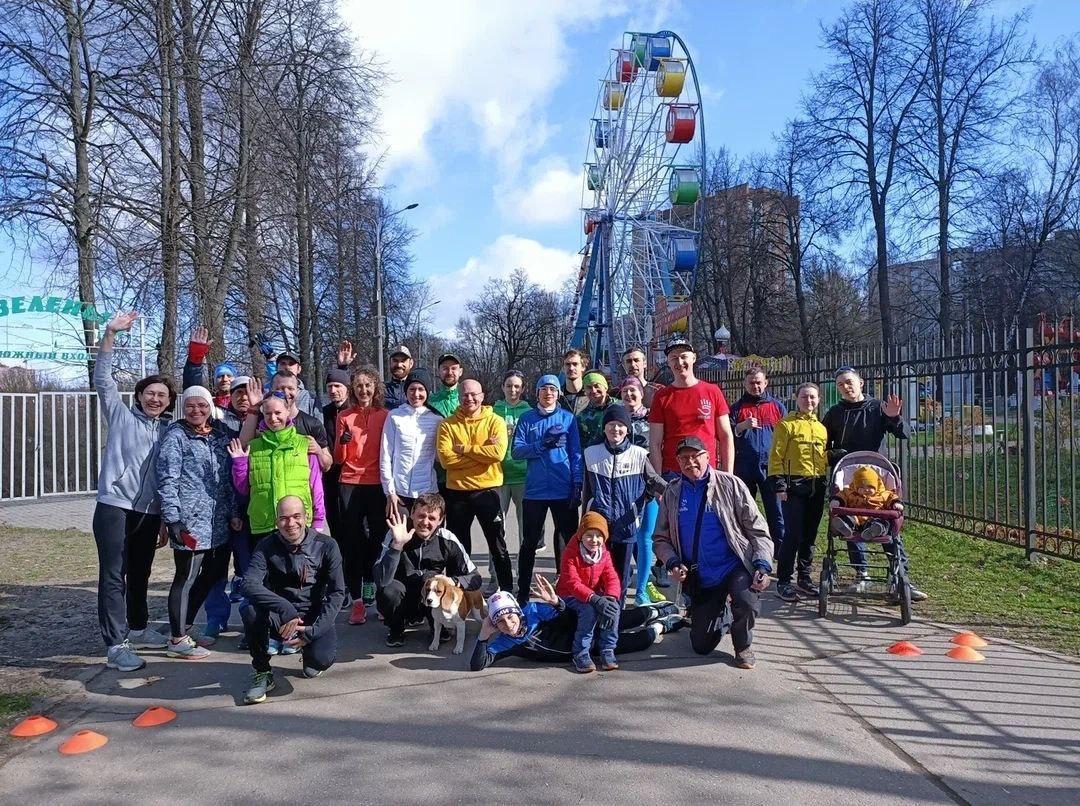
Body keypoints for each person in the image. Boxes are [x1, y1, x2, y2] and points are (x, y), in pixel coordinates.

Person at [92, 312, 176, 672]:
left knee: (141, 571)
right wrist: (111, 332)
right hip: (113, 505)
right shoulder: (121, 415)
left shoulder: (170, 431)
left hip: (148, 513)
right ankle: (116, 644)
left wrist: (160, 520)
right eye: (150, 393)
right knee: (114, 573)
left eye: (162, 395)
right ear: (139, 395)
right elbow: (102, 378)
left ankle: (139, 628)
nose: (155, 399)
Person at [653, 436, 773, 669]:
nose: (691, 462)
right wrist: (673, 562)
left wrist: (762, 564)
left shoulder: (731, 485)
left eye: (696, 456)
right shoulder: (672, 492)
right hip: (702, 576)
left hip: (734, 566)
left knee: (745, 600)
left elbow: (758, 530)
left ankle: (743, 646)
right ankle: (723, 612)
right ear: (678, 462)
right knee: (701, 646)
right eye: (684, 458)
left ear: (708, 456)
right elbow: (660, 538)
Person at [822, 367, 925, 600]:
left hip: (877, 478)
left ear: (861, 382)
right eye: (840, 384)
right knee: (851, 522)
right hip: (848, 477)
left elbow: (904, 434)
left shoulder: (877, 407)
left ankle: (900, 576)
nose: (845, 387)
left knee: (886, 524)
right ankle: (862, 575)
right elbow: (824, 445)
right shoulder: (835, 413)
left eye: (849, 382)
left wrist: (893, 418)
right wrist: (836, 454)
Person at [241, 496, 346, 705]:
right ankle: (262, 671)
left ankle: (308, 651)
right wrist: (285, 608)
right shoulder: (266, 546)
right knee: (249, 609)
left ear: (306, 517)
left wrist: (312, 633)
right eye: (284, 518)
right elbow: (248, 584)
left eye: (296, 516)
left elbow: (337, 594)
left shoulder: (327, 545)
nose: (290, 524)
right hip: (280, 615)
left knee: (321, 660)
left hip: (312, 616)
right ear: (276, 521)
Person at [156, 386, 236, 659]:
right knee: (186, 577)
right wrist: (173, 519)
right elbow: (167, 480)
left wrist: (234, 511)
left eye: (201, 405)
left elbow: (228, 476)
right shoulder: (176, 437)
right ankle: (177, 639)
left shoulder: (219, 434)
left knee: (214, 574)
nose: (196, 411)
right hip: (190, 522)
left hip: (219, 521)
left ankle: (185, 625)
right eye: (190, 405)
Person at [469, 578, 681, 671]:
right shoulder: (506, 641)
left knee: (630, 618)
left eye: (510, 616)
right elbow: (478, 665)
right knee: (640, 641)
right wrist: (483, 636)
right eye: (501, 622)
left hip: (585, 629)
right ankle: (662, 625)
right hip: (588, 648)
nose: (508, 624)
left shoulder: (534, 611)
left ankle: (655, 610)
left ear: (517, 611)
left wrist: (555, 603)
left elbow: (570, 620)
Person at [435, 379, 514, 593]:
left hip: (488, 492)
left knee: (498, 546)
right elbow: (446, 461)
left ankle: (507, 592)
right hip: (457, 493)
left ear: (482, 395)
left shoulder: (495, 421)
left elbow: (497, 454)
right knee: (459, 548)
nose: (469, 399)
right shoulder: (447, 425)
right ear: (459, 398)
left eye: (473, 394)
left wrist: (465, 449)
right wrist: (481, 453)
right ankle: (461, 595)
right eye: (464, 395)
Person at [373, 493, 482, 647]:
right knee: (389, 590)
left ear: (441, 520)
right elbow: (380, 579)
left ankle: (438, 626)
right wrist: (397, 546)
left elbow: (475, 578)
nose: (425, 522)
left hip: (432, 597)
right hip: (402, 595)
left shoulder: (448, 539)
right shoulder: (395, 533)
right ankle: (396, 628)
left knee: (432, 579)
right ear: (412, 514)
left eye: (431, 518)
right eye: (421, 516)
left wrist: (453, 581)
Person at [511, 374, 584, 604]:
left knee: (569, 540)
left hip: (563, 489)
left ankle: (569, 587)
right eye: (544, 389)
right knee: (529, 542)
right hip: (535, 491)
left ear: (558, 394)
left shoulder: (568, 419)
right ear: (537, 393)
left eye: (553, 389)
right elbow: (517, 451)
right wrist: (541, 445)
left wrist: (577, 483)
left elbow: (575, 453)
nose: (549, 393)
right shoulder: (526, 419)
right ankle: (523, 591)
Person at [582, 405, 665, 600]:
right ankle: (599, 615)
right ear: (604, 428)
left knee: (620, 576)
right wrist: (585, 523)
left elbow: (653, 481)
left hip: (626, 527)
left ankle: (616, 620)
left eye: (620, 425)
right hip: (599, 527)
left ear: (627, 429)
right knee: (598, 575)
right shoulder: (591, 453)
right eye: (611, 424)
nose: (615, 430)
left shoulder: (638, 454)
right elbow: (587, 492)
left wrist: (674, 491)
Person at [334, 367, 390, 624]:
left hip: (377, 483)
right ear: (353, 390)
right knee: (352, 544)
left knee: (379, 542)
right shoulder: (344, 416)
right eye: (358, 386)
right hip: (350, 483)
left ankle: (377, 593)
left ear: (375, 388)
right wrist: (344, 442)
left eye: (368, 385)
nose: (363, 390)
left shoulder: (385, 415)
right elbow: (338, 458)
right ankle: (357, 601)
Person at [767, 383, 827, 602]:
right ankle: (783, 580)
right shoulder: (786, 425)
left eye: (812, 398)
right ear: (796, 398)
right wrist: (779, 485)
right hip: (793, 487)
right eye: (804, 397)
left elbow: (820, 458)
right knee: (792, 534)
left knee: (809, 535)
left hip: (816, 486)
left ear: (818, 400)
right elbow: (776, 456)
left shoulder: (821, 428)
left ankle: (804, 577)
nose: (808, 401)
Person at [648, 336, 735, 477]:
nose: (679, 362)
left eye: (684, 357)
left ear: (694, 358)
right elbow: (655, 443)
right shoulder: (661, 397)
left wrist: (728, 475)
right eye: (674, 358)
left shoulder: (712, 391)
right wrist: (658, 481)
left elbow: (726, 436)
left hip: (707, 472)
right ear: (668, 362)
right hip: (674, 474)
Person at [554, 512, 622, 673]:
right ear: (581, 535)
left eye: (599, 536)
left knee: (613, 608)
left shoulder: (603, 553)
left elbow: (611, 576)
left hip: (592, 594)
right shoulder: (571, 552)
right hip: (569, 595)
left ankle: (607, 648)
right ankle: (581, 652)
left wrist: (611, 597)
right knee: (589, 610)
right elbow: (572, 582)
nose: (594, 540)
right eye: (589, 535)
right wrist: (594, 599)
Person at [618, 377, 665, 605]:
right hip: (624, 488)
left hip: (648, 487)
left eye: (633, 391)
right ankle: (619, 587)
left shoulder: (652, 417)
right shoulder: (616, 419)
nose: (629, 395)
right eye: (625, 391)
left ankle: (641, 591)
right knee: (626, 538)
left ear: (641, 393)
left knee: (645, 539)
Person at [730, 368, 786, 551]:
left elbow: (787, 436)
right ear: (745, 384)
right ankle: (746, 550)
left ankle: (780, 553)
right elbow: (725, 433)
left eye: (758, 382)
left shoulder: (777, 407)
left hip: (771, 467)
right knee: (744, 511)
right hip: (744, 466)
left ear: (765, 383)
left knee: (776, 512)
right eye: (751, 383)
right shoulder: (737, 408)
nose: (755, 386)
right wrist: (741, 426)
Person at [380, 369, 442, 517]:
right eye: (412, 389)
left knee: (425, 537)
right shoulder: (394, 416)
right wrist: (390, 492)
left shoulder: (437, 419)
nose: (416, 394)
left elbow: (440, 455)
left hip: (427, 491)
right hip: (399, 493)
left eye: (421, 389)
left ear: (427, 392)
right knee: (399, 537)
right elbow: (385, 455)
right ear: (406, 391)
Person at [239, 373, 332, 472]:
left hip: (300, 486)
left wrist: (318, 451)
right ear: (271, 390)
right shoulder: (263, 420)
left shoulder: (312, 423)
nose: (286, 392)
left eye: (291, 388)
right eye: (280, 388)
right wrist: (254, 408)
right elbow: (244, 446)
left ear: (298, 391)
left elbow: (327, 466)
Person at [493, 369, 538, 572]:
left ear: (523, 389)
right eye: (509, 385)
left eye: (517, 386)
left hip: (523, 476)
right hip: (498, 476)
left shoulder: (529, 412)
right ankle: (497, 575)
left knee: (526, 530)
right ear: (502, 387)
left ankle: (523, 574)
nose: (513, 390)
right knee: (496, 529)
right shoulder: (493, 411)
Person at [321, 367, 352, 540]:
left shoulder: (355, 412)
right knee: (334, 520)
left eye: (338, 386)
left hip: (351, 475)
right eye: (330, 386)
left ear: (347, 388)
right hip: (330, 475)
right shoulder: (324, 413)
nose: (333, 391)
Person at [830, 466, 904, 537]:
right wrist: (837, 501)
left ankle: (875, 530)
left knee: (883, 522)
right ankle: (845, 526)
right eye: (862, 487)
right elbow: (842, 496)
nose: (866, 490)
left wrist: (895, 503)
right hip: (856, 518)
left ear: (877, 485)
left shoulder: (884, 494)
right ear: (855, 486)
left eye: (870, 487)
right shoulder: (850, 493)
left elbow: (892, 498)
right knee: (848, 518)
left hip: (876, 518)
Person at [576, 370, 618, 448]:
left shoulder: (620, 407)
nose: (594, 391)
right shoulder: (582, 417)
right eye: (589, 387)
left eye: (596, 386)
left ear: (605, 386)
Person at [429, 353, 463, 419]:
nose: (450, 372)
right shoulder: (430, 402)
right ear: (438, 371)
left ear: (460, 372)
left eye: (453, 368)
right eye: (445, 369)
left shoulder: (469, 400)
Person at [558, 348, 590, 416]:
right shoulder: (556, 397)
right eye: (567, 364)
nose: (571, 368)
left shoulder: (591, 395)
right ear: (563, 368)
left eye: (575, 364)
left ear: (583, 367)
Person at [384, 344, 415, 410]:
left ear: (411, 363)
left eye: (403, 361)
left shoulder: (417, 389)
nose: (399, 365)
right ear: (390, 362)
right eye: (395, 360)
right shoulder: (381, 389)